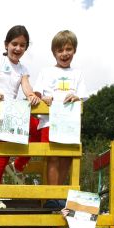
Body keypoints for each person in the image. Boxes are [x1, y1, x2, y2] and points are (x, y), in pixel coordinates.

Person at [0, 25, 41, 209]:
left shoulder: (23, 69)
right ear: (6, 44)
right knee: (3, 153)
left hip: (14, 112)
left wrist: (31, 95)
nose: (18, 48)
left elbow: (25, 86)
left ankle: (17, 165)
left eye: (22, 45)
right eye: (14, 44)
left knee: (37, 129)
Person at [33, 30, 89, 199]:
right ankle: (52, 196)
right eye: (60, 50)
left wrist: (76, 96)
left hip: (69, 123)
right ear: (54, 53)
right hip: (49, 122)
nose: (64, 54)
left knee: (66, 158)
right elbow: (36, 94)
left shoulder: (77, 73)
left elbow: (83, 95)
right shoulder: (46, 71)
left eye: (68, 49)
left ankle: (59, 195)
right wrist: (44, 98)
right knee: (53, 157)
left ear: (74, 50)